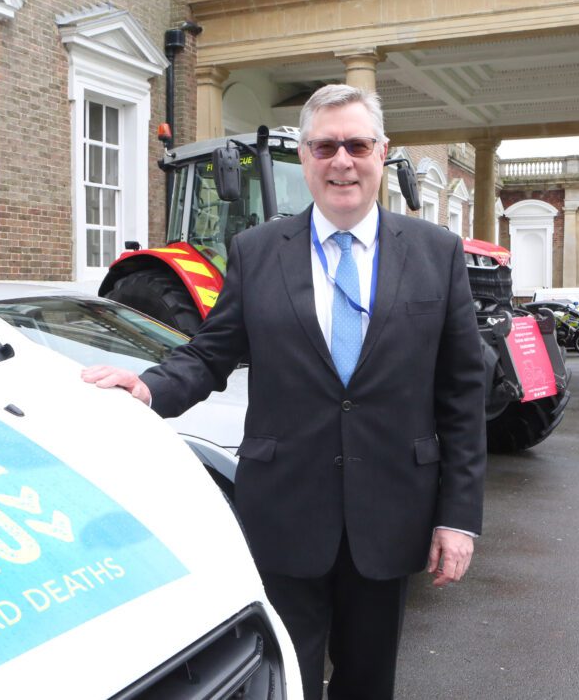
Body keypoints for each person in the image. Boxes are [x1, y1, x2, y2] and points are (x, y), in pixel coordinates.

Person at [82, 84, 486, 700]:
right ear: (304, 156)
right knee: (285, 680)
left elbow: (461, 392)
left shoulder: (436, 253)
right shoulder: (258, 250)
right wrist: (149, 385)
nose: (341, 161)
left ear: (382, 152)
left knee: (369, 682)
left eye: (355, 144)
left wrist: (457, 518)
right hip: (285, 508)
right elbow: (212, 351)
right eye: (325, 147)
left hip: (390, 512)